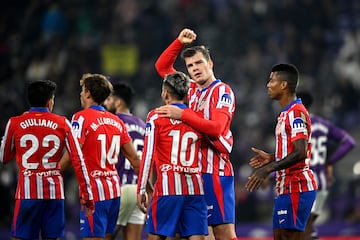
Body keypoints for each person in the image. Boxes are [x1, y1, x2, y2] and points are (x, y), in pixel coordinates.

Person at [154, 28, 237, 240]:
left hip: (215, 171)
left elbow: (217, 128)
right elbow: (162, 67)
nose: (195, 69)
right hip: (192, 174)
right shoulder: (190, 89)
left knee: (223, 232)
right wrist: (178, 43)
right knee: (196, 234)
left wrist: (182, 114)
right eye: (190, 66)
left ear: (210, 64)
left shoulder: (223, 91)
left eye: (199, 63)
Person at [0, 80, 94, 240]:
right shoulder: (63, 123)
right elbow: (77, 159)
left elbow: (4, 158)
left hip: (27, 194)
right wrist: (87, 194)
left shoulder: (15, 123)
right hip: (54, 194)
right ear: (50, 101)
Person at [60, 73, 146, 239]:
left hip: (95, 191)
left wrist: (55, 170)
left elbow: (73, 152)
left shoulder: (80, 117)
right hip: (114, 190)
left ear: (88, 93)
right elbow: (135, 159)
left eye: (82, 90)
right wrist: (146, 188)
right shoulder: (116, 121)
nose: (80, 94)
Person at [245, 63, 318, 240]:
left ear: (284, 85)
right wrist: (272, 157)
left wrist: (268, 168)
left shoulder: (296, 113)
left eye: (271, 80)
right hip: (285, 187)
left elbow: (301, 152)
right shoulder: (286, 113)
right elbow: (294, 149)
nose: (268, 85)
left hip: (297, 186)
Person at [137, 72, 208, 240]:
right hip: (195, 188)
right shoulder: (198, 118)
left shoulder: (156, 115)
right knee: (196, 236)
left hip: (168, 188)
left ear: (165, 93)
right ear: (186, 94)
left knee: (156, 235)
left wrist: (141, 188)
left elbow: (148, 154)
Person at [297, 91, 356, 240]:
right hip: (321, 182)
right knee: (308, 228)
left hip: (304, 182)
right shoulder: (323, 125)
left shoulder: (294, 127)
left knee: (301, 228)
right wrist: (329, 161)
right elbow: (349, 142)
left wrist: (270, 174)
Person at [103, 82, 146, 240]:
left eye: (109, 100)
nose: (106, 104)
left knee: (102, 237)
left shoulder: (111, 123)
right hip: (137, 189)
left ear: (118, 102)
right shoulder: (143, 126)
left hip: (119, 188)